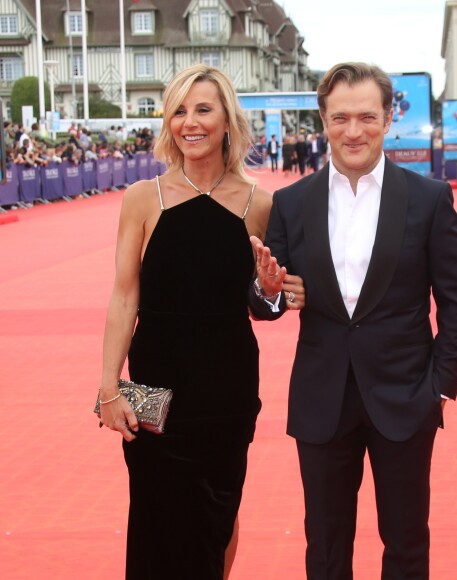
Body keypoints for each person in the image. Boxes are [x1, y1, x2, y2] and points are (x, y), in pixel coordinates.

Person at [251, 62, 457, 579]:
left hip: (406, 395)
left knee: (406, 543)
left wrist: (442, 384)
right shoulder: (290, 203)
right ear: (323, 121)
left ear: (389, 118)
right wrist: (266, 293)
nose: (354, 131)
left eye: (367, 117)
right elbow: (268, 300)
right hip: (321, 398)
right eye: (341, 118)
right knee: (326, 548)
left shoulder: (429, 199)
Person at [97, 64, 303, 579]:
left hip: (227, 390)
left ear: (228, 120)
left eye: (203, 109)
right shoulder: (143, 198)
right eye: (179, 111)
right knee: (155, 514)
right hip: (153, 390)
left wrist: (272, 290)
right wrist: (107, 388)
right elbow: (124, 298)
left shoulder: (261, 204)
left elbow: (267, 302)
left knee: (219, 512)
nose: (190, 122)